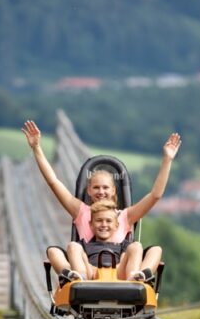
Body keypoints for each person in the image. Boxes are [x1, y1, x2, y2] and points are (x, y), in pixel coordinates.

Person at [21, 120, 181, 283]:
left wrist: (167, 159)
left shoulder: (126, 216)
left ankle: (138, 277)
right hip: (90, 270)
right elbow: (54, 182)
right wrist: (37, 149)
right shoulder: (81, 211)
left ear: (113, 190)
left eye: (105, 187)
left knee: (151, 249)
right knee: (58, 250)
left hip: (120, 272)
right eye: (96, 188)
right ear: (89, 191)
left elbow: (155, 195)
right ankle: (76, 277)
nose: (101, 192)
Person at [72, 200, 145, 280]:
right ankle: (80, 278)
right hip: (92, 275)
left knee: (136, 246)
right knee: (73, 246)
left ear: (116, 226)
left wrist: (108, 271)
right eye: (99, 221)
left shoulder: (123, 245)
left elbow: (123, 262)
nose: (104, 225)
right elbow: (82, 259)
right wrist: (97, 270)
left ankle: (134, 278)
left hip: (117, 274)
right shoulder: (84, 245)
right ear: (91, 225)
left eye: (108, 221)